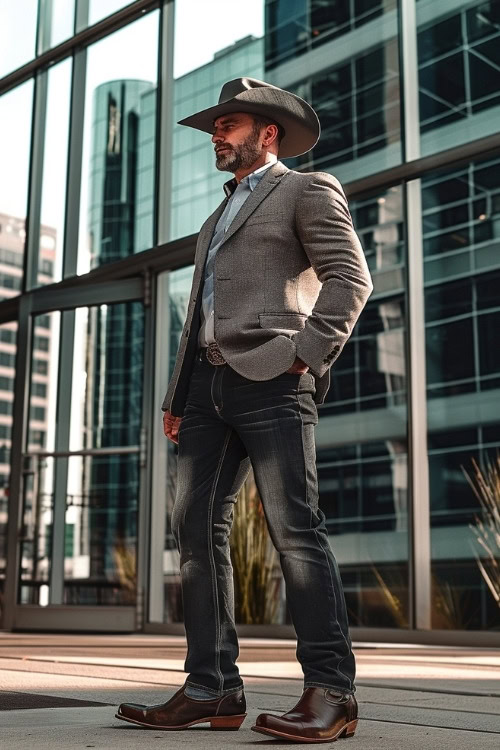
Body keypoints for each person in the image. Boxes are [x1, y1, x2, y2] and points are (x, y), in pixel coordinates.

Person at [116, 77, 373, 742]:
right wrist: (179, 396)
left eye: (227, 124)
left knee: (295, 532)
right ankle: (212, 687)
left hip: (273, 378)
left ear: (268, 132)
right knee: (196, 540)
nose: (215, 135)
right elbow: (198, 314)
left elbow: (352, 277)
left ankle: (332, 693)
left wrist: (304, 355)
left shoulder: (308, 190)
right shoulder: (214, 218)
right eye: (214, 126)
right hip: (204, 389)